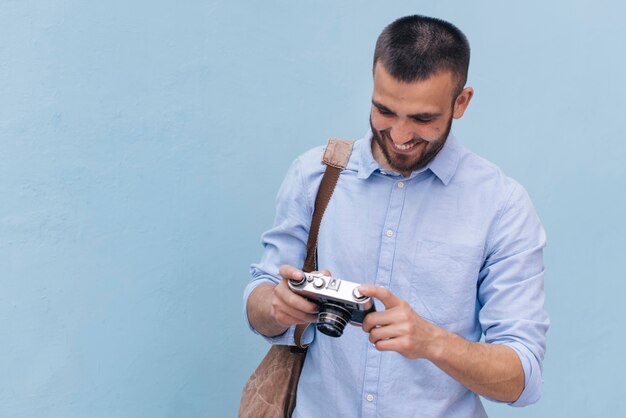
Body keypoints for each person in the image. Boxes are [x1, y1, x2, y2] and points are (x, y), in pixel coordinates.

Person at [243, 14, 549, 418]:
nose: (401, 136)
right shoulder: (315, 175)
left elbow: (523, 378)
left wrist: (432, 342)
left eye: (423, 119)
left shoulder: (502, 206)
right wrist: (277, 306)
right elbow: (260, 295)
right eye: (384, 111)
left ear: (461, 102)